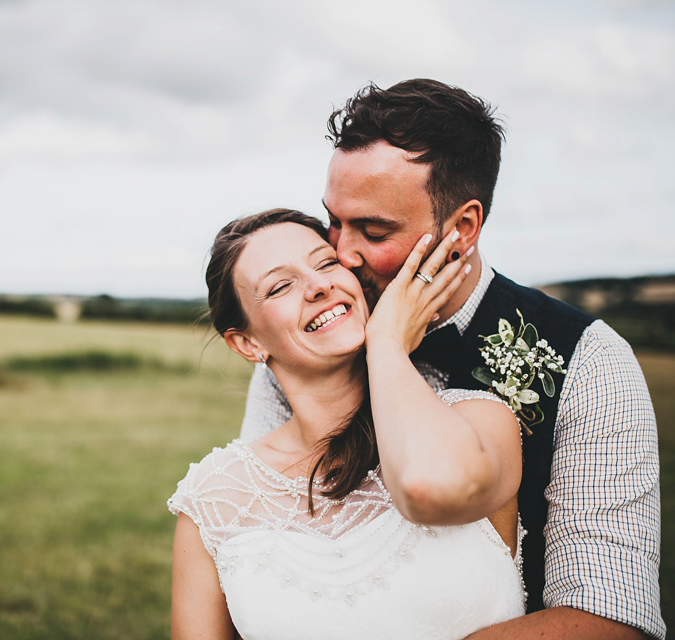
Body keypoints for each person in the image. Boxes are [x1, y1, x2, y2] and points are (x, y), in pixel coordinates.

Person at [240, 79, 663, 638]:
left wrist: (386, 344)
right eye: (334, 221)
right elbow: (263, 548)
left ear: (462, 228)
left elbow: (608, 618)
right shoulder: (308, 348)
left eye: (373, 230)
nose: (341, 254)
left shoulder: (589, 357)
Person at [169, 208, 526, 639]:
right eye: (281, 286)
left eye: (326, 262)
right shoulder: (214, 500)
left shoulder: (479, 420)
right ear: (247, 343)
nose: (319, 286)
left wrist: (387, 344)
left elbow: (436, 486)